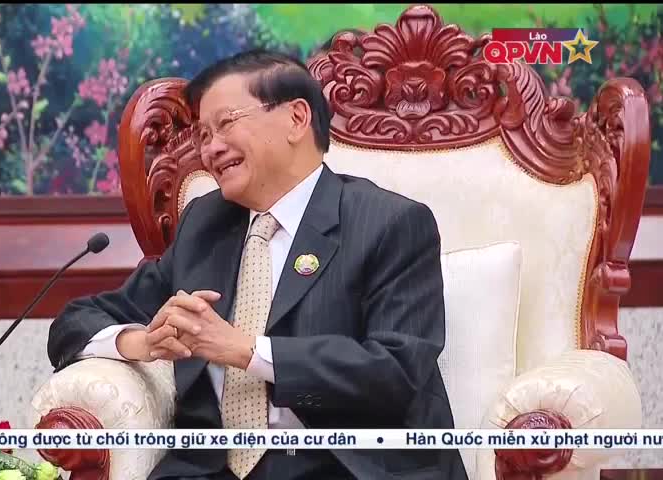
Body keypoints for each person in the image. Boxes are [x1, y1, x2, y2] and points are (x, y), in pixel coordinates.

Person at [47, 48, 467, 480]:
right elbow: (76, 321)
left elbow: (395, 370)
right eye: (202, 135)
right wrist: (140, 342)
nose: (211, 148)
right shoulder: (206, 225)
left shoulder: (389, 222)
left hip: (346, 466)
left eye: (226, 123)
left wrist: (247, 351)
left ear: (296, 118)